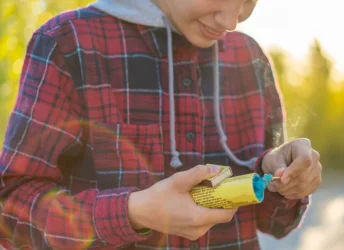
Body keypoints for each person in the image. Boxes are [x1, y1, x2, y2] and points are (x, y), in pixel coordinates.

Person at [0, 0, 322, 249]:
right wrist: (133, 211)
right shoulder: (68, 44)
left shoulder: (248, 58)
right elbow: (12, 210)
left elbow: (277, 224)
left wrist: (282, 178)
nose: (232, 20)